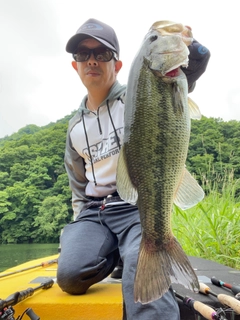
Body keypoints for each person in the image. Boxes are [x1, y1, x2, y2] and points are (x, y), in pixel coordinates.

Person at [57, 18, 210, 319]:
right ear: (75, 66)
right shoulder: (74, 128)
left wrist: (193, 48)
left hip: (137, 207)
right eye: (82, 55)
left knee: (144, 275)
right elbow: (78, 183)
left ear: (118, 64)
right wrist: (81, 228)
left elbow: (186, 74)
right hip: (94, 214)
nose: (92, 60)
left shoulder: (139, 93)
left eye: (102, 54)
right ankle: (116, 252)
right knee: (70, 275)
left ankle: (133, 255)